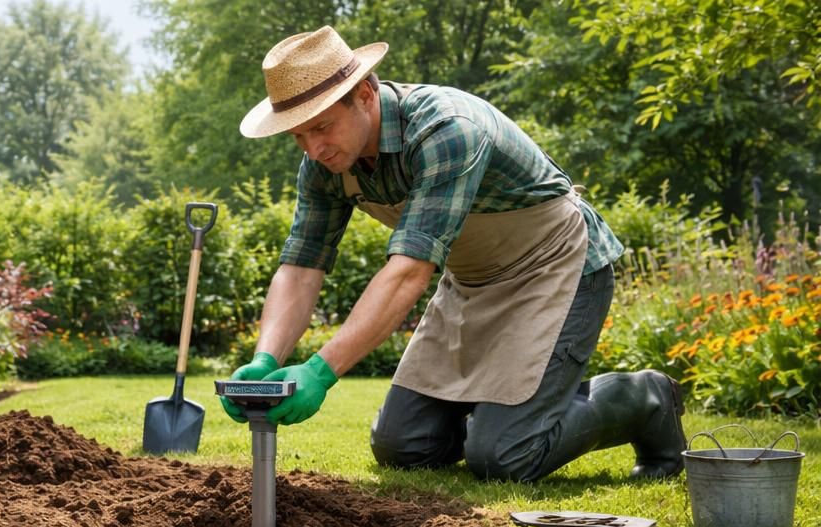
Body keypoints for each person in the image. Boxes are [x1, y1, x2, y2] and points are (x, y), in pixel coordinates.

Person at [220, 26, 686, 482]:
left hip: (554, 267)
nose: (313, 148)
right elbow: (302, 265)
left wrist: (321, 371)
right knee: (403, 447)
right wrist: (266, 361)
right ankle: (499, 416)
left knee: (505, 457)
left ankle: (645, 398)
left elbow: (409, 272)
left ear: (364, 93)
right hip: (472, 280)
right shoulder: (324, 163)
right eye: (298, 136)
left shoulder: (446, 128)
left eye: (321, 127)